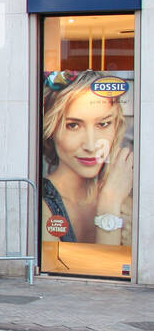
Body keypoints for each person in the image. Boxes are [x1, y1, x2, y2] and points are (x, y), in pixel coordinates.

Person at [41, 71, 132, 247]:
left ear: (116, 126)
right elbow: (104, 272)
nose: (91, 145)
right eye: (73, 125)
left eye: (103, 124)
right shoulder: (40, 206)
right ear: (50, 130)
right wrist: (109, 206)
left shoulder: (127, 203)